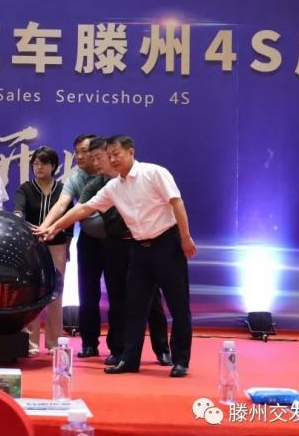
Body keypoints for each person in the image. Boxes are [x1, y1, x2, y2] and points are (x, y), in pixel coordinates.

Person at [37, 135, 197, 377]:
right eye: (109, 155)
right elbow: (84, 208)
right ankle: (129, 359)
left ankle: (180, 360)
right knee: (133, 307)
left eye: (116, 154)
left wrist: (185, 237)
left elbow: (176, 202)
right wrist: (55, 227)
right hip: (139, 248)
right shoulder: (113, 187)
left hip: (168, 244)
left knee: (178, 305)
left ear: (130, 152)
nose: (112, 160)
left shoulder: (154, 173)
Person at [81, 138, 171, 367]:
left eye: (100, 157)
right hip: (114, 244)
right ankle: (118, 349)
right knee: (117, 298)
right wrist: (53, 226)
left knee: (152, 299)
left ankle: (162, 349)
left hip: (142, 243)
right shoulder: (98, 185)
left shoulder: (142, 176)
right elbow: (81, 210)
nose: (98, 163)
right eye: (94, 159)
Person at [36, 133, 108, 358]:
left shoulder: (111, 174)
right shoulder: (77, 177)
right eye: (77, 152)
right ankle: (89, 343)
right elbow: (62, 205)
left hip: (115, 240)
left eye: (85, 151)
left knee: (119, 293)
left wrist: (53, 227)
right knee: (87, 292)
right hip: (88, 239)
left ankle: (119, 347)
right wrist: (45, 227)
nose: (80, 156)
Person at [13, 146, 71, 355]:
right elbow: (18, 209)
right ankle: (31, 343)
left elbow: (69, 220)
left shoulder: (63, 189)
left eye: (44, 163)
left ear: (53, 166)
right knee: (32, 292)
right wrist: (18, 218)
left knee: (56, 292)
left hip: (57, 246)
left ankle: (54, 342)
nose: (39, 167)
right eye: (35, 163)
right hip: (32, 247)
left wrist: (67, 247)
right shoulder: (26, 188)